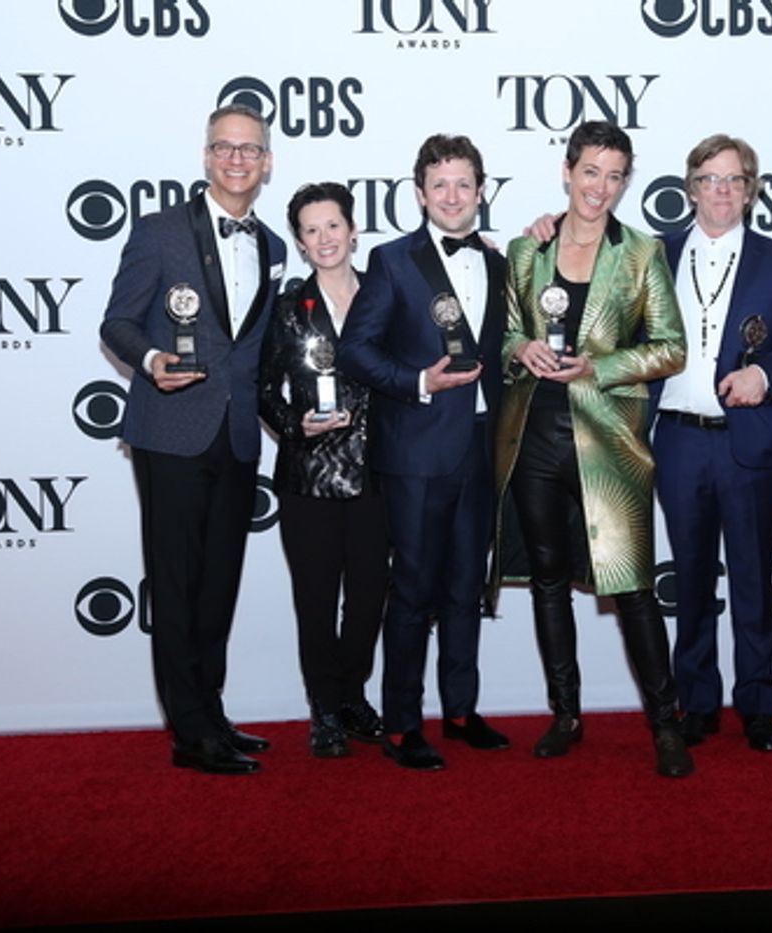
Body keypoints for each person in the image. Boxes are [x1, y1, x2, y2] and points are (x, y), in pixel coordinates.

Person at [495, 120, 692, 778]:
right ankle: (566, 713)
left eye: (614, 176)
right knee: (549, 581)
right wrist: (520, 348)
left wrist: (596, 368)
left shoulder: (641, 252)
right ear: (567, 170)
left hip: (608, 442)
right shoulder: (528, 252)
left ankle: (666, 722)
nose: (599, 188)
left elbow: (671, 348)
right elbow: (504, 339)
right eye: (590, 172)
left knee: (634, 588)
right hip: (534, 439)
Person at [100, 104, 286, 774]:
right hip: (170, 430)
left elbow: (257, 352)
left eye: (251, 150)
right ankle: (189, 732)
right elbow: (118, 323)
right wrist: (151, 362)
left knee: (218, 586)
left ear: (266, 164)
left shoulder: (271, 246)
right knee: (176, 585)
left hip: (236, 437)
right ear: (207, 157)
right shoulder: (159, 232)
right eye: (225, 148)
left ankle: (211, 712)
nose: (238, 160)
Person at [337, 134, 509, 771]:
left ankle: (460, 711)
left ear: (481, 191)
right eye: (440, 185)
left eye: (464, 184)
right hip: (414, 453)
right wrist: (418, 382)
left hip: (480, 447)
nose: (453, 196)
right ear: (419, 194)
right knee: (411, 592)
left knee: (466, 587)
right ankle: (402, 724)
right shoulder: (391, 261)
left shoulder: (496, 263)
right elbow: (357, 350)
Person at [653, 135, 772, 753]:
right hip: (678, 441)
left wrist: (765, 374)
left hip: (751, 444)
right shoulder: (654, 254)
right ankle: (696, 701)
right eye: (710, 178)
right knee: (691, 580)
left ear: (751, 190)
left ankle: (758, 703)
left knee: (751, 578)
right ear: (689, 187)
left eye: (735, 179)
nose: (722, 190)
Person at [258, 183, 387, 758]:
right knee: (314, 599)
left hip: (378, 476)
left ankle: (353, 694)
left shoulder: (387, 296)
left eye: (332, 225)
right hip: (308, 477)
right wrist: (292, 424)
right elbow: (262, 389)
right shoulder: (288, 308)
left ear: (353, 229)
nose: (324, 238)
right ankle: (325, 709)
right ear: (301, 243)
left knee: (367, 599)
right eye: (311, 230)